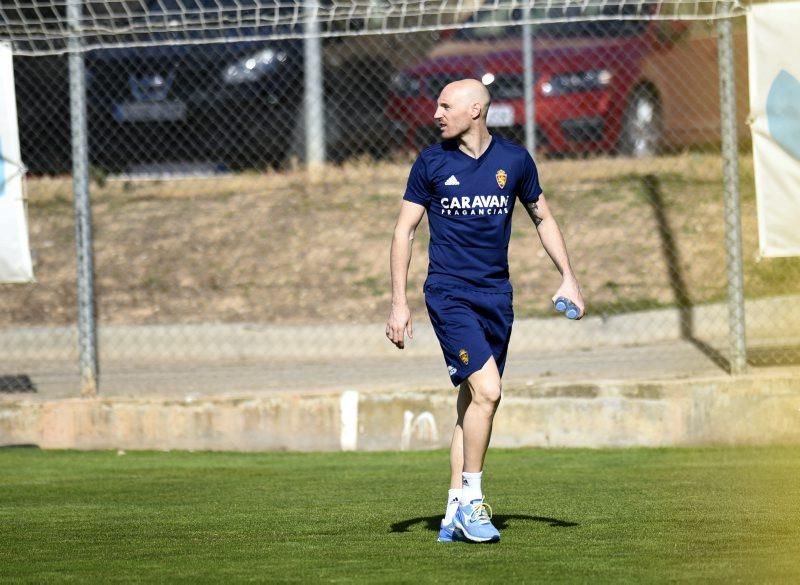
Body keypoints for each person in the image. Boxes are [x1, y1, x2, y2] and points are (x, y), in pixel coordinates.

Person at [385, 78, 584, 544]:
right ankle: (473, 501)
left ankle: (453, 507)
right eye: (436, 105)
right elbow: (404, 232)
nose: (436, 113)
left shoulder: (514, 161)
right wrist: (399, 303)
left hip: (496, 298)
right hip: (449, 295)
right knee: (490, 392)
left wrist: (569, 277)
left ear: (476, 110)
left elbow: (543, 217)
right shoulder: (431, 163)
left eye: (445, 105)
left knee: (473, 402)